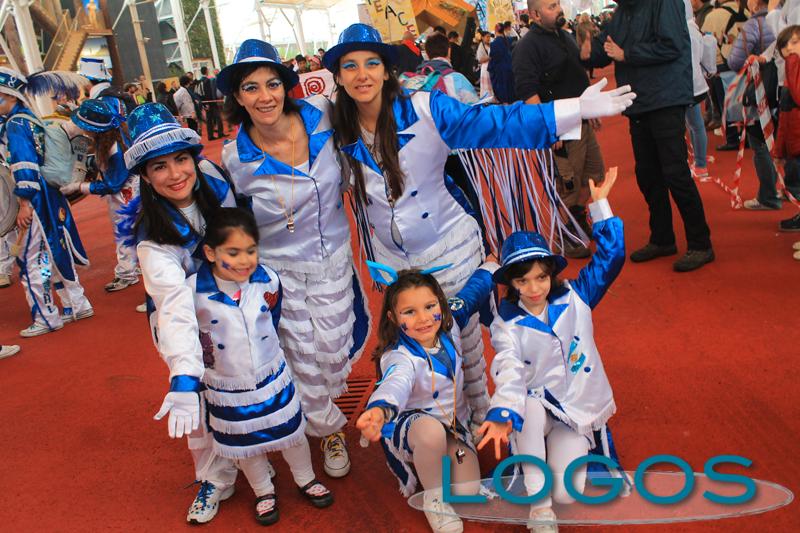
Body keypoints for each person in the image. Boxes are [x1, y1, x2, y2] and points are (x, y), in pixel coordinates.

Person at [324, 23, 635, 431]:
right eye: (350, 66)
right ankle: (433, 422)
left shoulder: (425, 108)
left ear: (386, 70)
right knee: (413, 340)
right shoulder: (334, 125)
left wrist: (573, 108)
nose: (361, 74)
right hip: (392, 259)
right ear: (338, 75)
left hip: (448, 245)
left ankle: (475, 418)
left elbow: (495, 121)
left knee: (464, 338)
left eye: (371, 63)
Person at [218, 39, 370, 479]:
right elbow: (231, 222)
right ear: (238, 97)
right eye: (250, 88)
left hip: (334, 259)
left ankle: (319, 409)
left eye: (271, 84)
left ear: (286, 86)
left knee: (333, 351)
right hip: (279, 271)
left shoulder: (323, 117)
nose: (264, 97)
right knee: (301, 354)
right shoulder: (234, 159)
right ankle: (328, 430)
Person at [478, 168, 625, 533]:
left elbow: (611, 258)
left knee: (567, 493)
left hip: (574, 411)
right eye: (523, 280)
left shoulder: (577, 295)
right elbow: (508, 370)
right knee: (526, 407)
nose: (534, 288)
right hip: (535, 409)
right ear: (511, 283)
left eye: (541, 277)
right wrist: (503, 411)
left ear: (551, 274)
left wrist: (601, 206)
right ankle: (539, 510)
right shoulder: (506, 324)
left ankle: (553, 480)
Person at [122, 102, 244, 524]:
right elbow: (173, 308)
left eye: (181, 159)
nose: (175, 174)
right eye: (159, 166)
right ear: (145, 176)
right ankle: (213, 477)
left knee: (242, 387)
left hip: (235, 310)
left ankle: (256, 453)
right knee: (199, 404)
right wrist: (184, 377)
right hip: (187, 327)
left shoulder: (214, 181)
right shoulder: (151, 239)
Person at [179, 207, 333, 525]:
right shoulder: (193, 292)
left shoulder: (268, 280)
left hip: (270, 376)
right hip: (226, 384)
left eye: (251, 250)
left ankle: (305, 478)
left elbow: (272, 319)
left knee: (292, 432)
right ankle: (263, 491)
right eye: (233, 252)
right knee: (245, 444)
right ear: (210, 252)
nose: (244, 260)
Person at [356, 261, 497, 533]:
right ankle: (434, 499)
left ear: (441, 305)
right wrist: (380, 409)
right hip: (413, 426)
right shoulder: (399, 356)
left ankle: (436, 458)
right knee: (430, 434)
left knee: (467, 492)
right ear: (393, 318)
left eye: (430, 306)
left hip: (452, 426)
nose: (423, 318)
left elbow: (473, 291)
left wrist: (492, 265)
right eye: (410, 312)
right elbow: (395, 384)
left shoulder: (449, 324)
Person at [582, 0, 715, 272]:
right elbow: (607, 49)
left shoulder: (664, 3)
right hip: (639, 101)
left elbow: (672, 45)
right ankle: (662, 238)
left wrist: (627, 54)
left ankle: (700, 243)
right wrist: (588, 49)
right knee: (648, 175)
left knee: (676, 174)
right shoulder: (624, 11)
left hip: (666, 99)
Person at [0, 67, 93, 337]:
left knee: (32, 260)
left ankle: (46, 317)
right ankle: (77, 303)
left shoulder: (15, 124)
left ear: (11, 95)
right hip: (48, 195)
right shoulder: (28, 118)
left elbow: (24, 164)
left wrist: (24, 204)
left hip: (35, 199)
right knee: (53, 250)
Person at [513, 0, 606, 259]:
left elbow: (578, 76)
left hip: (581, 119)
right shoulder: (527, 46)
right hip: (559, 128)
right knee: (568, 184)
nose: (559, 9)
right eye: (551, 6)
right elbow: (527, 91)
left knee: (593, 175)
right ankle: (565, 235)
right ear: (535, 14)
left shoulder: (564, 36)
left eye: (557, 4)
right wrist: (549, 129)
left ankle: (577, 221)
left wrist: (590, 109)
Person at [61, 99, 140, 293]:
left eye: (85, 127)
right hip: (126, 192)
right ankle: (131, 267)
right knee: (131, 232)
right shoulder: (109, 138)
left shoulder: (114, 148)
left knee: (125, 233)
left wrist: (79, 186)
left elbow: (112, 184)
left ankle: (127, 274)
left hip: (126, 194)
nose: (83, 130)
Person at [728, 0, 780, 210]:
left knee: (759, 143)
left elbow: (735, 60)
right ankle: (790, 188)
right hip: (780, 87)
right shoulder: (783, 18)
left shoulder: (753, 25)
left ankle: (768, 196)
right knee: (780, 141)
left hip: (760, 90)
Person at [772, 24, 800, 233]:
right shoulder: (790, 74)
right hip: (794, 143)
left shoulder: (793, 69)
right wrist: (780, 150)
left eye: (795, 42)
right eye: (785, 45)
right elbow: (784, 115)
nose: (790, 48)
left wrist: (792, 63)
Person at [685, 0, 716, 182]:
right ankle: (700, 159)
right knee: (695, 124)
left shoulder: (680, 29)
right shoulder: (694, 29)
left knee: (693, 125)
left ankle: (700, 163)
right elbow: (708, 52)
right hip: (696, 83)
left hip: (683, 85)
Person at [489, 22, 517, 103]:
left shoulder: (494, 44)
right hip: (511, 66)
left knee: (503, 89)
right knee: (511, 86)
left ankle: (506, 105)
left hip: (500, 69)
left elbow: (493, 57)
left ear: (495, 30)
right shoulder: (510, 40)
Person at [198, 66, 225, 140]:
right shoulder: (207, 80)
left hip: (206, 102)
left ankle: (211, 135)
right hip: (211, 102)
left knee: (210, 119)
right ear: (206, 71)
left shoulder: (200, 81)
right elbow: (209, 92)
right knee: (217, 118)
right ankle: (219, 133)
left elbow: (200, 93)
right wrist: (212, 101)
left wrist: (204, 104)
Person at [476, 31, 494, 99]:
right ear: (482, 37)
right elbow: (480, 59)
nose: (489, 38)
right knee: (487, 84)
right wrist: (490, 57)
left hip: (491, 66)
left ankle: (492, 97)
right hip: (485, 68)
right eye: (487, 37)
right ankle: (487, 98)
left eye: (489, 37)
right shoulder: (481, 46)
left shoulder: (490, 44)